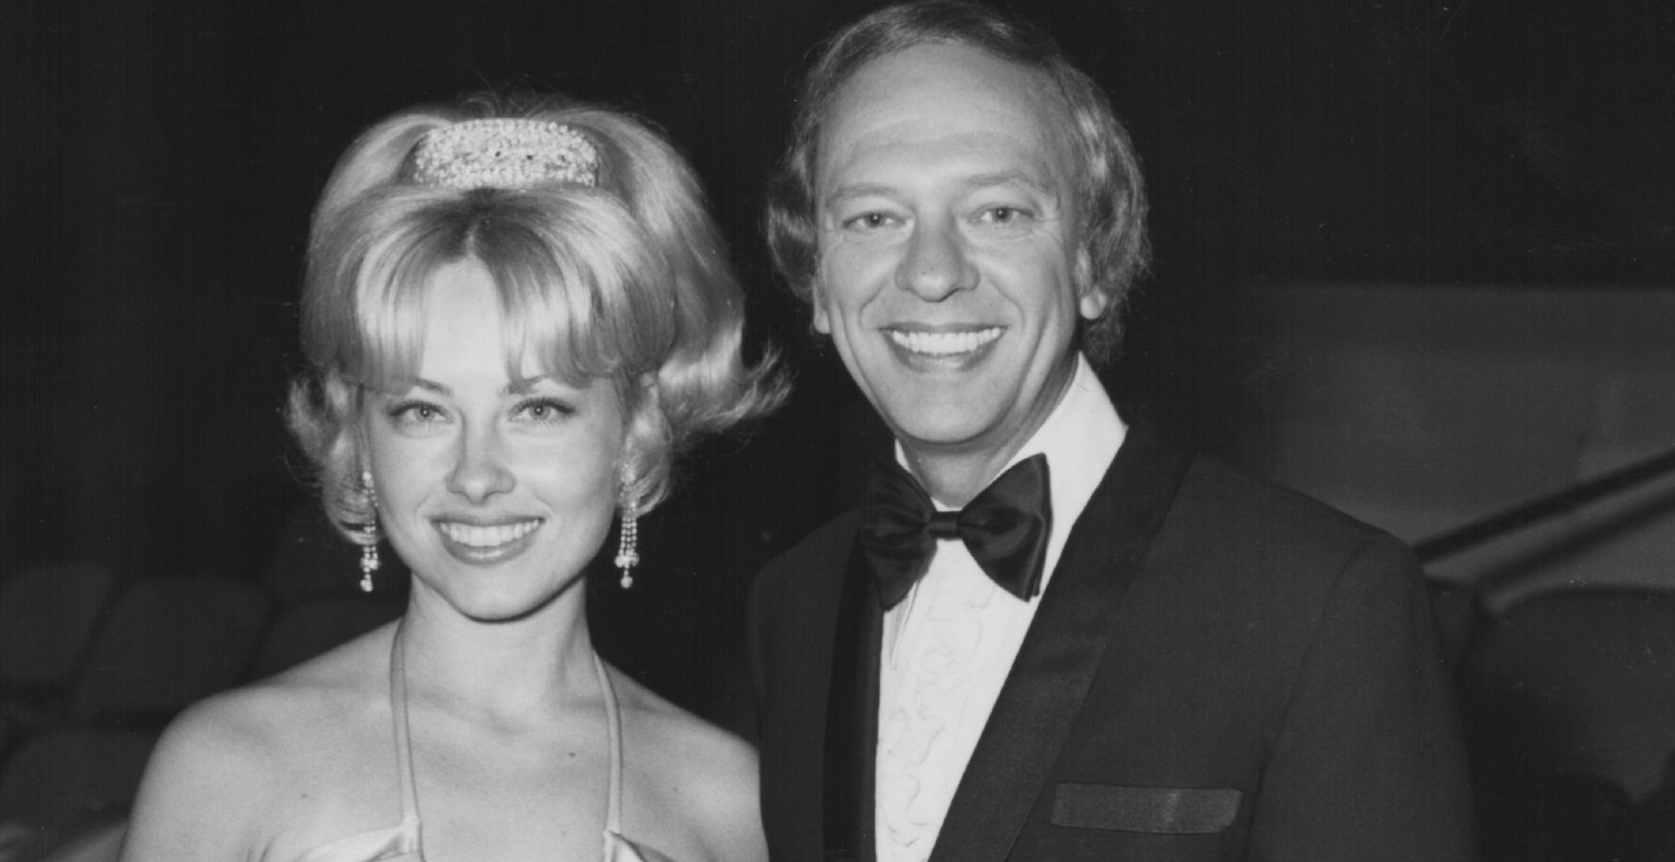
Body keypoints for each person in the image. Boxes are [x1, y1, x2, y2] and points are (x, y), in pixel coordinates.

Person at [747, 3, 1476, 861]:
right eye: (874, 217)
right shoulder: (789, 604)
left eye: (997, 212)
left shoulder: (1321, 599)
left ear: (1094, 259)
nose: (932, 272)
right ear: (818, 282)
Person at [120, 95, 779, 862]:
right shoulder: (227, 768)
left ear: (635, 438)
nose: (476, 475)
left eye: (537, 408)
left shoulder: (730, 803)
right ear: (358, 441)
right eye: (422, 412)